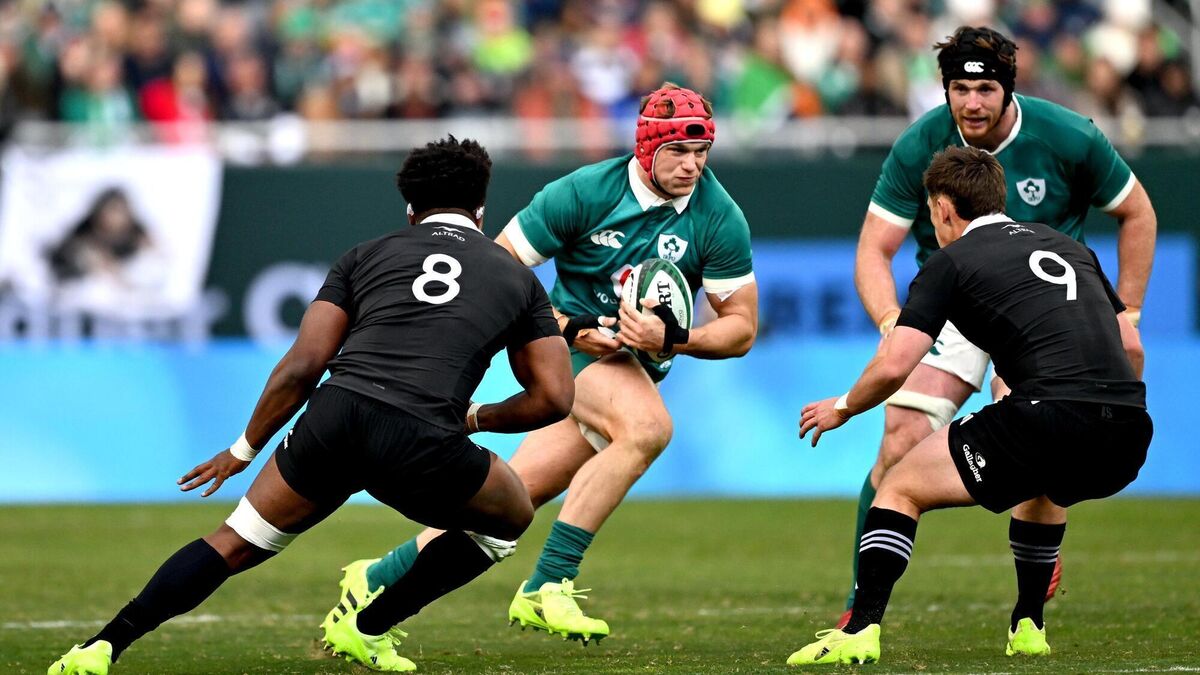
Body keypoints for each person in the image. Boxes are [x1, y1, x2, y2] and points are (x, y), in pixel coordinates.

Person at [48, 136, 574, 675]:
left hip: (335, 419)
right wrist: (476, 418)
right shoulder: (519, 280)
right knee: (510, 517)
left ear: (410, 210)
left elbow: (303, 366)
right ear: (481, 210)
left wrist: (243, 449)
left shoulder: (364, 255)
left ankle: (101, 646)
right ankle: (368, 627)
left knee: (235, 542)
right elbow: (555, 397)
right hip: (420, 435)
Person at [324, 83, 758, 645]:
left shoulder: (719, 215)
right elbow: (491, 271)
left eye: (701, 152)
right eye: (677, 151)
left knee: (510, 500)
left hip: (632, 365)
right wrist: (570, 328)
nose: (692, 165)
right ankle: (549, 583)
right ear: (646, 147)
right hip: (562, 351)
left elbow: (741, 327)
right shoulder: (583, 192)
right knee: (647, 428)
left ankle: (374, 578)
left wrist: (674, 338)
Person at [842, 25, 1156, 627]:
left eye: (985, 89)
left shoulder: (1069, 136)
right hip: (953, 303)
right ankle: (861, 598)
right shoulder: (919, 144)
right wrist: (890, 320)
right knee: (901, 436)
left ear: (1009, 89)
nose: (972, 103)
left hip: (1044, 314)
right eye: (959, 89)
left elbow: (1137, 212)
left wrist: (1130, 311)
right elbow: (873, 249)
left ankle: (1029, 602)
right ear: (945, 90)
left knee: (1039, 430)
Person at [789, 146, 1151, 665]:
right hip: (1129, 433)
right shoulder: (1070, 247)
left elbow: (895, 365)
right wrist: (1106, 410)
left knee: (899, 486)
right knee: (1044, 482)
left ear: (942, 209)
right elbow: (1131, 347)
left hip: (1047, 416)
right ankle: (1029, 626)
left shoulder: (951, 261)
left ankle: (861, 628)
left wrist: (842, 407)